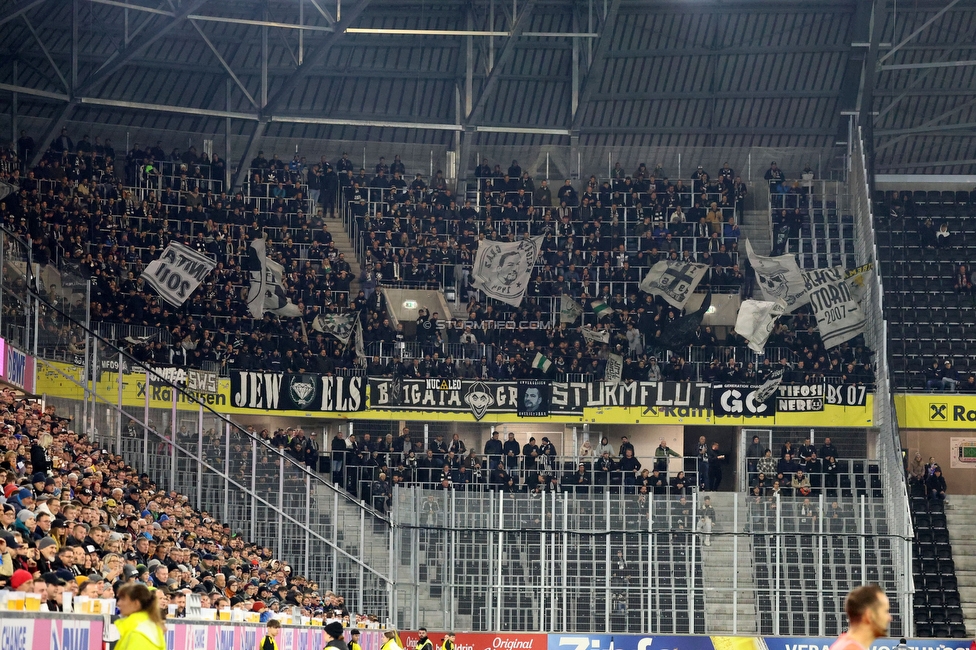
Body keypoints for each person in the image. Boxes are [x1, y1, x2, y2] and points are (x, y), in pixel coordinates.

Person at [828, 585, 890, 650]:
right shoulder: (850, 648)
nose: (889, 618)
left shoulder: (843, 644)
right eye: (886, 611)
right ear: (869, 615)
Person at [114, 583, 166, 650]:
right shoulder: (142, 626)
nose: (119, 603)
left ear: (136, 603)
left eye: (123, 599)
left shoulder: (138, 632)